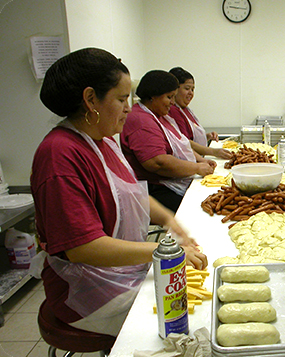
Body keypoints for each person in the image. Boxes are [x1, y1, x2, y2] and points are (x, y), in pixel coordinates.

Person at [32, 48, 208, 337]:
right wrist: (165, 252)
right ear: (91, 100)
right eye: (122, 98)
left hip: (120, 272)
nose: (129, 107)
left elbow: (132, 195)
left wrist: (172, 222)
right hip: (89, 290)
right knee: (190, 321)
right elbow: (83, 248)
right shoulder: (59, 155)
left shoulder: (102, 141)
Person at [121, 70, 217, 212]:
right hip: (158, 189)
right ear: (153, 96)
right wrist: (196, 168)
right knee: (204, 210)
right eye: (169, 97)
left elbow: (182, 142)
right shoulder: (140, 119)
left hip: (173, 181)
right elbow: (157, 162)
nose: (172, 103)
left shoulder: (160, 116)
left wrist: (200, 161)